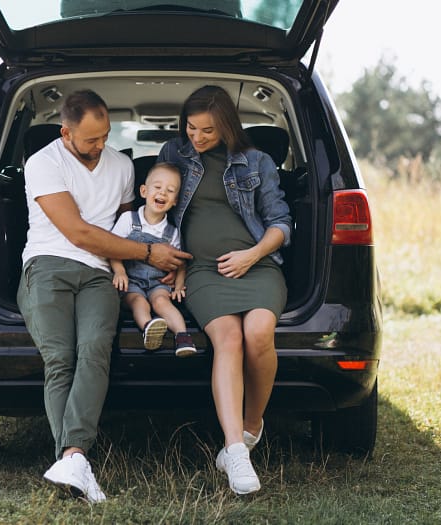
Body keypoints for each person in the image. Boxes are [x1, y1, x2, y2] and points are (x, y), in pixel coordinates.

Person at [16, 89, 192, 504]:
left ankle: (71, 459)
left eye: (106, 136)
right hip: (47, 264)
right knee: (60, 358)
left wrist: (149, 262)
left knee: (95, 348)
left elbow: (128, 225)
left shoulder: (122, 165)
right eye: (91, 139)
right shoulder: (44, 163)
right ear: (66, 133)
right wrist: (149, 253)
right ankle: (74, 458)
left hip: (100, 272)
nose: (100, 146)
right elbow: (77, 232)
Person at [157, 85, 292, 495]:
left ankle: (252, 427)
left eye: (208, 132)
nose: (196, 138)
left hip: (258, 266)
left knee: (257, 335)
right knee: (228, 339)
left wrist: (251, 255)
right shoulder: (174, 155)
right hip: (202, 271)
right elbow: (155, 203)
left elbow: (282, 224)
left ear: (228, 128)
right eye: (191, 128)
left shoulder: (257, 161)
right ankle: (235, 451)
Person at [109, 162, 197, 357]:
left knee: (161, 301)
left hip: (158, 282)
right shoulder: (128, 219)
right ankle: (149, 327)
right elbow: (113, 249)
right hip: (130, 282)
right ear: (143, 191)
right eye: (157, 187)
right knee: (138, 301)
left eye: (170, 190)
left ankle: (182, 337)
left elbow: (181, 261)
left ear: (175, 201)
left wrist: (179, 284)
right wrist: (120, 271)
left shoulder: (172, 232)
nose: (163, 193)